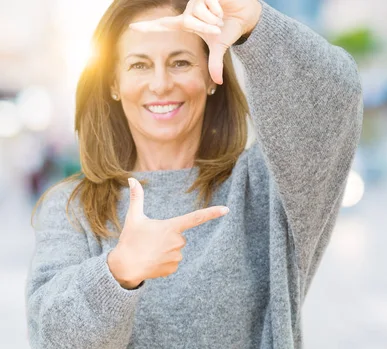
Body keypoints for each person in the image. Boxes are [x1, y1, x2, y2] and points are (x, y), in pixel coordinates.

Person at [25, 0, 363, 347]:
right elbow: (51, 337)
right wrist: (118, 272)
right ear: (114, 83)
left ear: (211, 75)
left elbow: (337, 100)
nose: (160, 84)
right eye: (140, 64)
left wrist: (255, 23)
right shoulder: (72, 208)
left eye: (180, 62)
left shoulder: (263, 186)